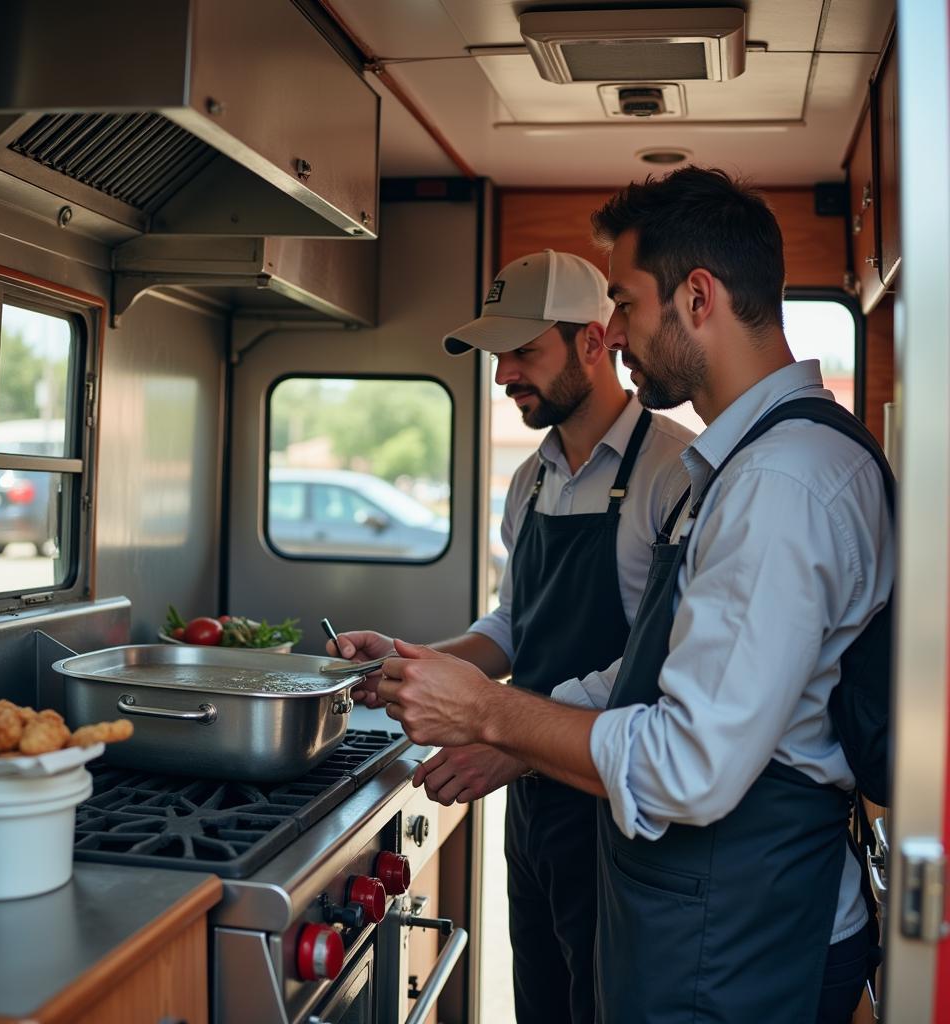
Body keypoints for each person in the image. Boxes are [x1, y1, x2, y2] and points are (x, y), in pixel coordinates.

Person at [369, 168, 894, 1024]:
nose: (613, 332)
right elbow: (649, 671)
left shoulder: (781, 483)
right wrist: (466, 693)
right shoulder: (734, 469)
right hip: (694, 912)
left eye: (625, 304)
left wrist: (496, 719)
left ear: (697, 298)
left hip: (744, 935)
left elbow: (689, 763)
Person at [329, 248, 693, 1024]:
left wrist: (517, 735)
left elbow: (659, 662)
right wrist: (408, 658)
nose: (503, 378)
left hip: (611, 799)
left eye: (523, 353)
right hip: (527, 801)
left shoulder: (674, 470)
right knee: (543, 1002)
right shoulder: (531, 479)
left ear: (595, 342)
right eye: (500, 357)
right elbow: (511, 627)